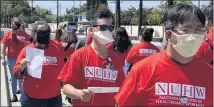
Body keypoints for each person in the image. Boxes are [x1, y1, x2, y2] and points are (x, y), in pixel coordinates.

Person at [115, 4, 213, 106]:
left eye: (198, 30)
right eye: (186, 30)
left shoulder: (210, 75)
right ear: (168, 34)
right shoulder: (142, 70)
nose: (193, 36)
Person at [57, 10, 125, 106]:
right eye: (103, 27)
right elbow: (65, 87)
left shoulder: (115, 59)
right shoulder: (79, 56)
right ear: (92, 30)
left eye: (110, 28)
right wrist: (78, 93)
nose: (107, 31)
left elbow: (122, 86)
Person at [12, 21, 64, 107]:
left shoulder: (57, 48)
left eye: (46, 32)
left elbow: (63, 69)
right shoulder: (27, 50)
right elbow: (15, 73)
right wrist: (21, 67)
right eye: (40, 32)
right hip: (32, 99)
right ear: (34, 34)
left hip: (54, 98)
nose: (43, 34)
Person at [1, 17, 29, 102]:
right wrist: (2, 57)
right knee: (13, 77)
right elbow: (3, 45)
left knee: (21, 77)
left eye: (17, 25)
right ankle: (14, 94)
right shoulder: (8, 34)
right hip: (11, 58)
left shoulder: (25, 35)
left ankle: (22, 94)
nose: (16, 27)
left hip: (22, 59)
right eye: (14, 25)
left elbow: (29, 46)